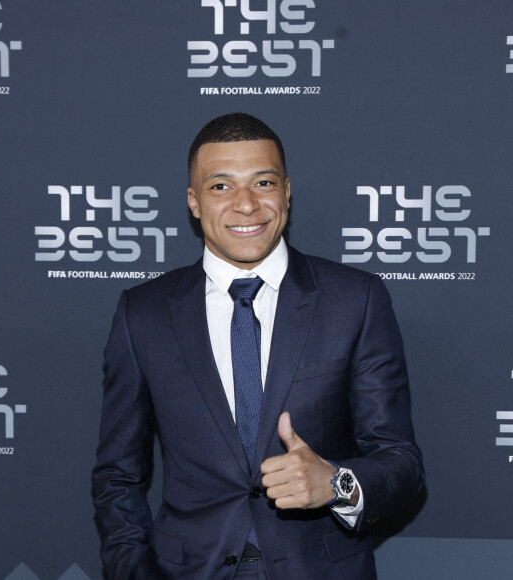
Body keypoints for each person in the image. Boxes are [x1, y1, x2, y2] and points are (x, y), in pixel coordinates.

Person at [92, 112, 424, 579]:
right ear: (193, 201)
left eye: (263, 182)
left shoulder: (356, 300)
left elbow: (401, 463)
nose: (246, 205)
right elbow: (117, 476)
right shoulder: (142, 313)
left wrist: (336, 484)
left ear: (286, 191)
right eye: (221, 186)